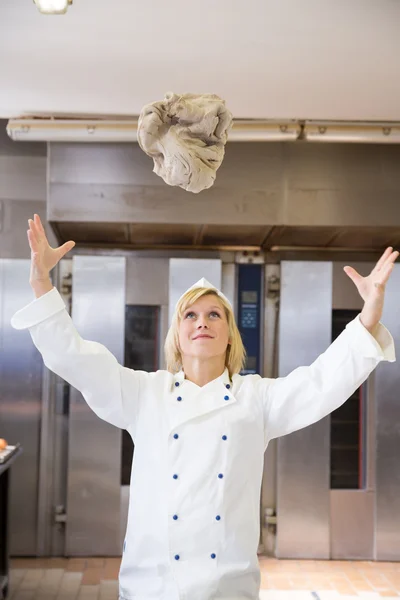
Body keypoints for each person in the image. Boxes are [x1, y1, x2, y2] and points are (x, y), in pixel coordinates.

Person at [11, 214, 398, 600]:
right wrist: (41, 282)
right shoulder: (146, 394)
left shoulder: (255, 398)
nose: (203, 322)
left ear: (229, 334)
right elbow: (77, 358)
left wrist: (368, 316)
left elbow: (320, 383)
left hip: (226, 588)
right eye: (190, 315)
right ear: (177, 337)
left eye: (215, 314)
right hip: (151, 586)